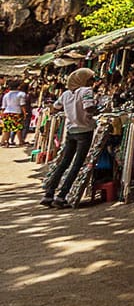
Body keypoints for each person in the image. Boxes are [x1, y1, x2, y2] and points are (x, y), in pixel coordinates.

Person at [42, 67, 98, 208]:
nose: (93, 82)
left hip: (71, 131)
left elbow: (55, 107)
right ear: (84, 80)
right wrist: (96, 110)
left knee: (64, 163)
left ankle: (49, 194)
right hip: (84, 131)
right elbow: (89, 107)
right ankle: (61, 196)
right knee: (76, 165)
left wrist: (70, 111)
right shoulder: (86, 91)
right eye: (91, 79)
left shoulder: (66, 94)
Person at [1, 79, 28, 147]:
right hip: (16, 113)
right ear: (18, 87)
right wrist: (25, 113)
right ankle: (21, 142)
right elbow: (22, 105)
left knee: (7, 129)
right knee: (18, 129)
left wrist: (2, 115)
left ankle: (5, 142)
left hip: (7, 113)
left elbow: (3, 107)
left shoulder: (6, 95)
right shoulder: (21, 94)